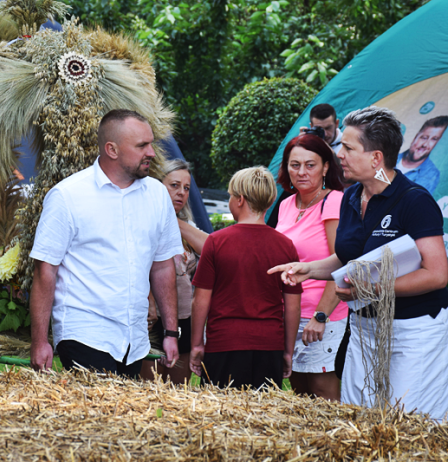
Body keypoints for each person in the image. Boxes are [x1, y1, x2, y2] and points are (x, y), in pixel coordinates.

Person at [269, 106, 448, 421]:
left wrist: (374, 288)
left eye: (349, 147)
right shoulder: (352, 197)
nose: (340, 153)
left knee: (405, 422)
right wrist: (308, 269)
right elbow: (348, 257)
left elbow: (437, 274)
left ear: (376, 158)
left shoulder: (414, 200)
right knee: (360, 420)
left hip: (413, 330)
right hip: (364, 326)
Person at [29, 109, 183, 377]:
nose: (152, 153)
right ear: (112, 149)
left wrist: (170, 332)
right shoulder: (67, 196)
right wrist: (40, 341)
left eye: (151, 143)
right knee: (97, 414)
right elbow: (45, 271)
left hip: (134, 338)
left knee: (124, 417)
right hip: (84, 331)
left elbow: (163, 267)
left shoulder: (157, 195)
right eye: (142, 145)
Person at [189, 167, 302, 390]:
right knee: (262, 417)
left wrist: (196, 344)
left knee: (222, 416)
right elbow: (292, 306)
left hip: (224, 343)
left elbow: (200, 300)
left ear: (239, 200)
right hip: (269, 345)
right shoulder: (285, 245)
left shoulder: (216, 242)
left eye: (230, 195)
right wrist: (287, 350)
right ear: (269, 203)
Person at [275, 133, 346, 401]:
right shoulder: (285, 205)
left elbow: (340, 264)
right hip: (290, 314)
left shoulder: (334, 201)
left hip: (322, 316)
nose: (302, 172)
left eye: (310, 164)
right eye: (295, 165)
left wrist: (320, 317)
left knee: (322, 393)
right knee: (299, 395)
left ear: (326, 166)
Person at [141, 159, 209, 384]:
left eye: (186, 188)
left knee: (179, 394)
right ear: (158, 185)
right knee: (148, 393)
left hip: (184, 319)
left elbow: (212, 248)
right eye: (174, 185)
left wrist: (173, 221)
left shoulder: (186, 223)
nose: (181, 192)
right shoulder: (143, 221)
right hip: (151, 319)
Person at [396, 115, 448, 193]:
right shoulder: (387, 157)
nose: (425, 145)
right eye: (424, 137)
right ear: (415, 137)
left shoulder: (431, 174)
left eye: (434, 139)